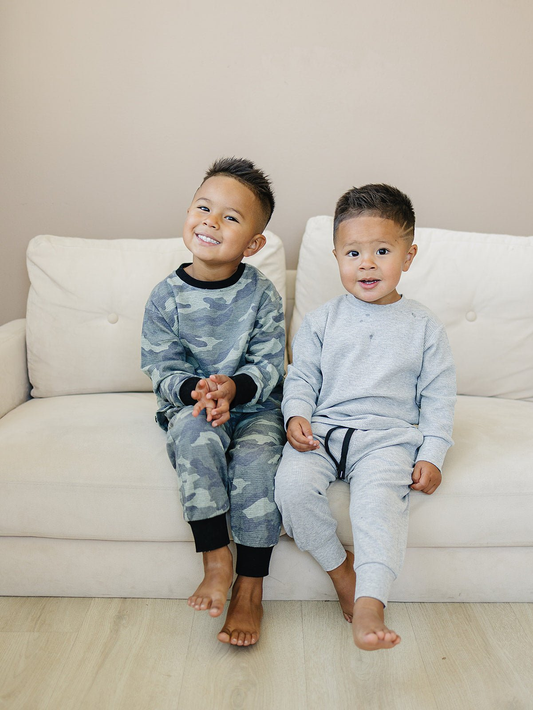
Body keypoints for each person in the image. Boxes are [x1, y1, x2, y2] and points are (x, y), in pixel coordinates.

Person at [275, 184, 456, 650]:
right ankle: (342, 572)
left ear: (408, 256)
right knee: (290, 489)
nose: (367, 264)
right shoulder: (321, 321)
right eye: (353, 252)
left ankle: (371, 602)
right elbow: (301, 378)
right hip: (323, 433)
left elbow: (438, 399)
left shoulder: (423, 327)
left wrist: (432, 453)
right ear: (336, 256)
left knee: (377, 508)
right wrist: (296, 415)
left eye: (382, 251)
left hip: (387, 440)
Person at [141, 157, 285, 647]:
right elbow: (161, 367)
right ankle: (216, 559)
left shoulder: (262, 294)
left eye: (230, 217)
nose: (211, 221)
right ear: (188, 213)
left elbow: (270, 362)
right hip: (194, 406)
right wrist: (197, 393)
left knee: (257, 461)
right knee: (193, 434)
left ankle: (250, 588)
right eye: (203, 208)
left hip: (253, 407)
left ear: (253, 243)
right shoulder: (165, 297)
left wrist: (234, 389)